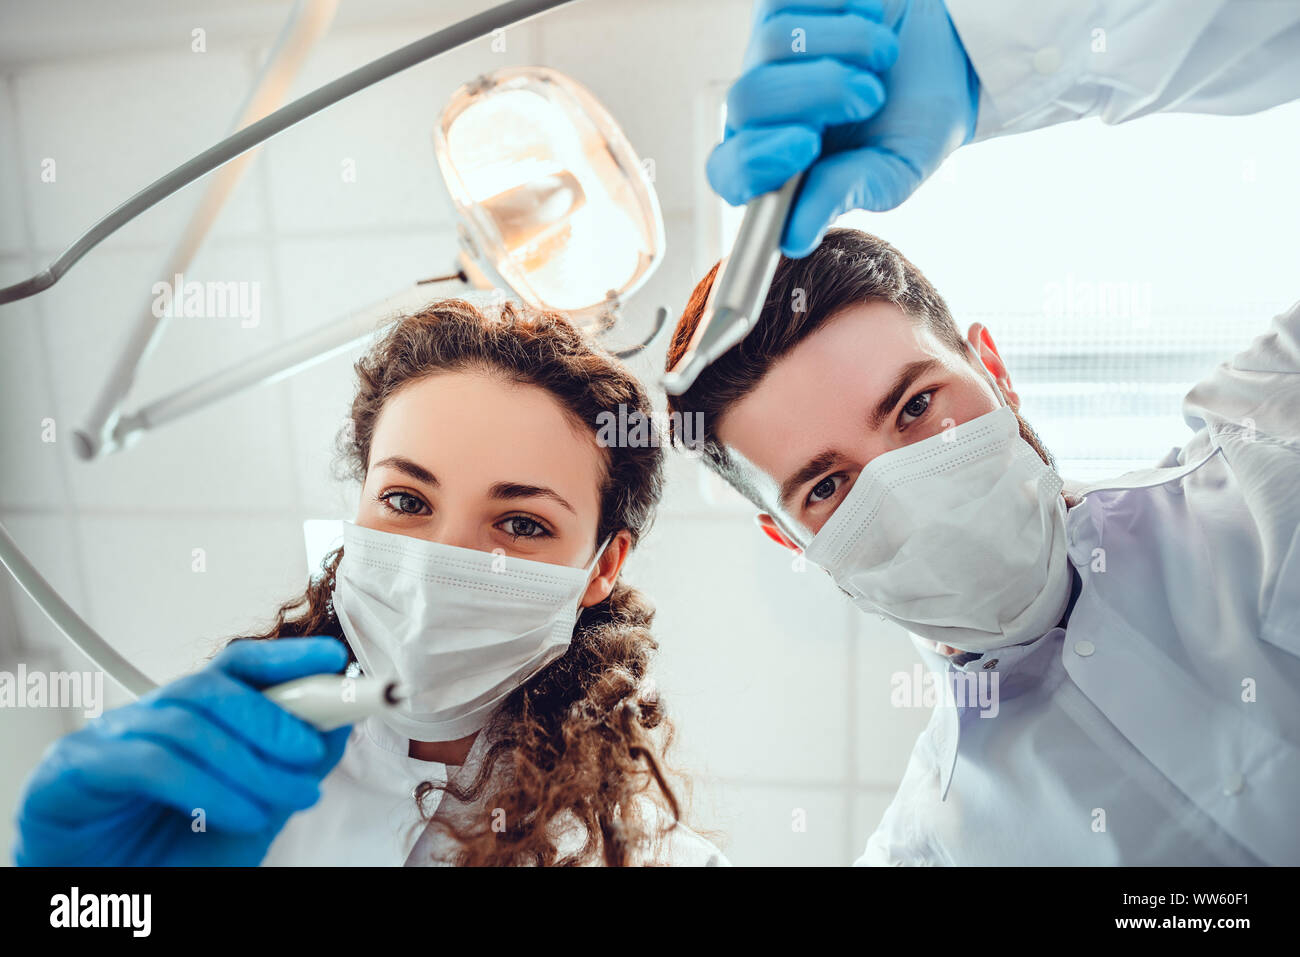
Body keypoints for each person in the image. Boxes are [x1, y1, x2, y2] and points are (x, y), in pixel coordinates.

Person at [666, 0, 1300, 864]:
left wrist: (999, 59)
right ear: (790, 536)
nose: (911, 487)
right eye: (829, 485)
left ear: (992, 369)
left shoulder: (1276, 439)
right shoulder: (929, 850)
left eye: (916, 405)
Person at [14, 298, 727, 867]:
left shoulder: (664, 861)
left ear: (601, 565)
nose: (440, 562)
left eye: (522, 523)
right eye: (408, 501)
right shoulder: (209, 789)